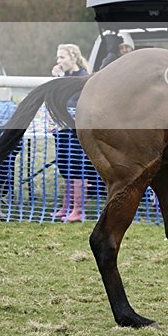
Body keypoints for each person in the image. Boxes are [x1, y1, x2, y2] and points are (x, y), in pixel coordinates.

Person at [50, 43, 94, 223]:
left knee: (77, 169)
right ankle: (66, 207)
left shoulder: (83, 78)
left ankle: (78, 210)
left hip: (76, 131)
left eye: (62, 57)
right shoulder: (64, 76)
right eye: (58, 57)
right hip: (62, 130)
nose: (58, 61)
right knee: (66, 169)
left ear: (73, 57)